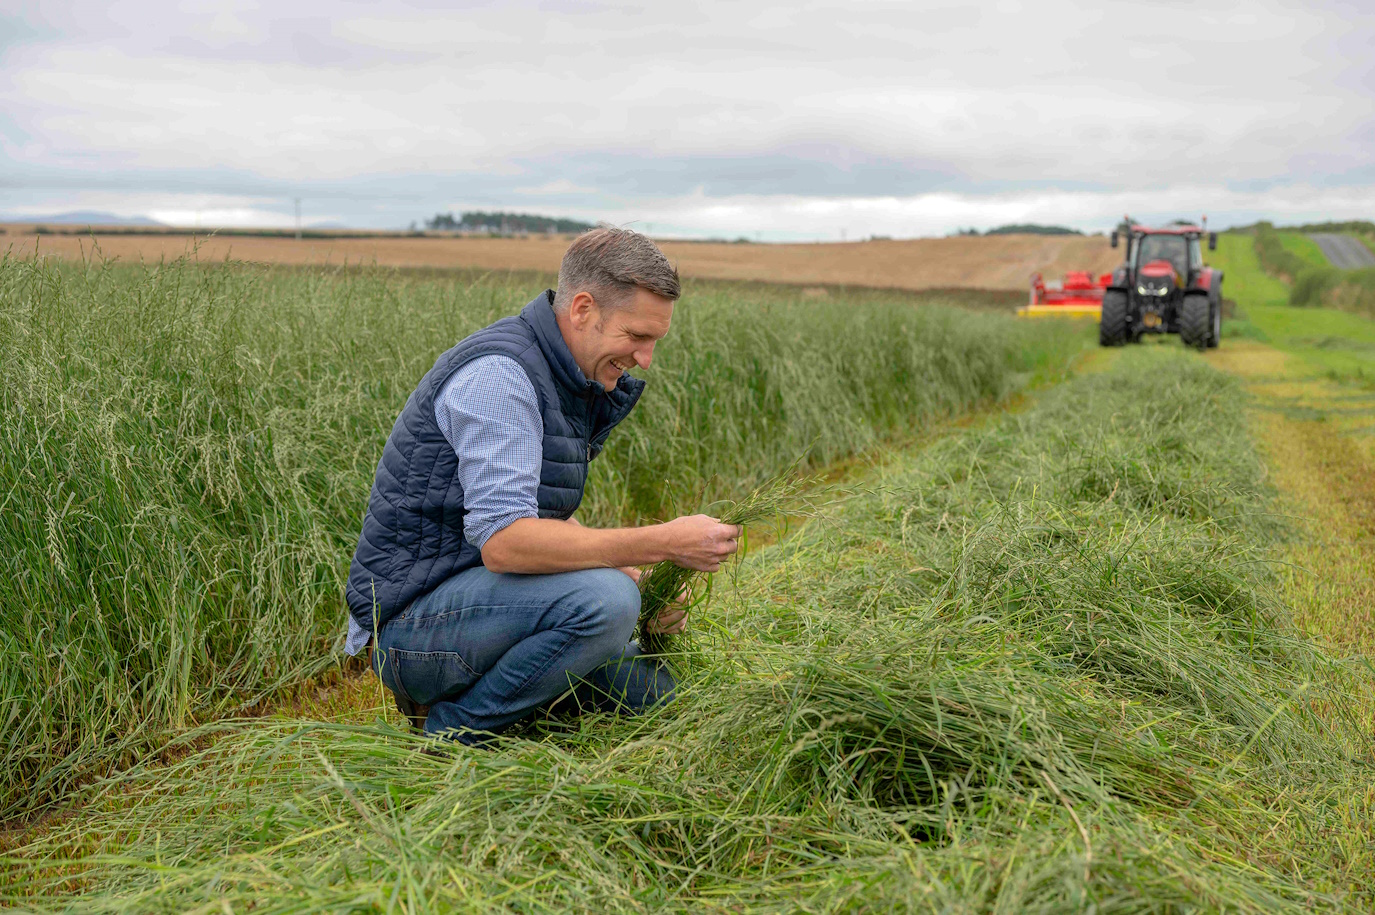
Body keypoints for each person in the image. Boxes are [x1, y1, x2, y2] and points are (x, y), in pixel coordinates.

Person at [343, 226, 741, 744]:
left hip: (490, 609)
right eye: (637, 337)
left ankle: (519, 705)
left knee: (663, 695)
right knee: (607, 602)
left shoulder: (563, 374)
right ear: (582, 309)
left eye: (654, 341)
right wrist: (661, 543)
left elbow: (544, 519)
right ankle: (456, 733)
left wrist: (646, 578)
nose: (645, 359)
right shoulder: (501, 376)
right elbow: (508, 543)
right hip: (413, 632)